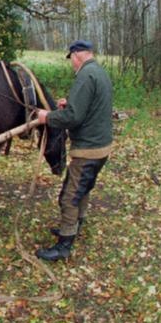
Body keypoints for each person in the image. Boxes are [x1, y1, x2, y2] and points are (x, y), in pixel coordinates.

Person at [36, 40, 113, 262]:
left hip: (88, 149)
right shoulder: (99, 72)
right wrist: (69, 104)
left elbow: (73, 117)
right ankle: (76, 224)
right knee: (83, 187)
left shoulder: (85, 76)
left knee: (69, 197)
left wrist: (47, 117)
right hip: (101, 146)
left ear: (77, 55)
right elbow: (87, 106)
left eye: (72, 59)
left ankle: (64, 245)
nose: (72, 64)